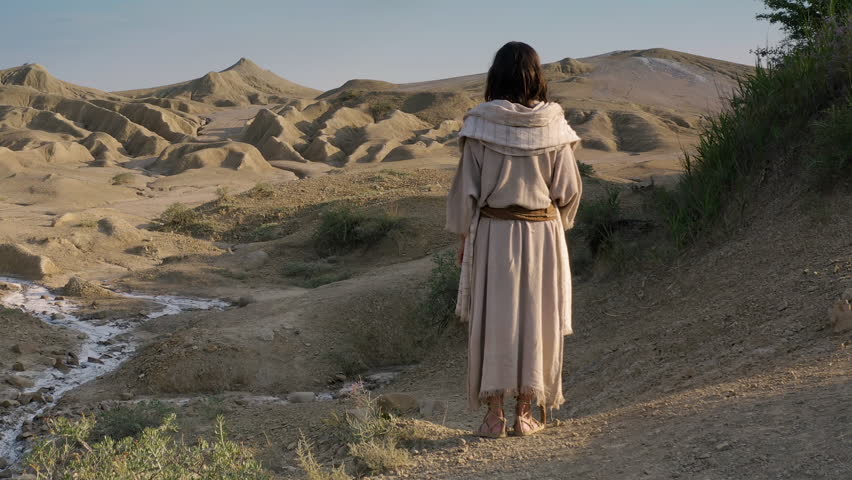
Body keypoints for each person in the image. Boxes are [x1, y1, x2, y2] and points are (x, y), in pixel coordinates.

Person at [445, 41, 583, 438]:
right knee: (538, 318)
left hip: (493, 233)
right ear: (537, 75)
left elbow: (465, 191)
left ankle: (494, 418)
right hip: (543, 233)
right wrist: (558, 223)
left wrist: (463, 237)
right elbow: (569, 192)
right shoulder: (554, 126)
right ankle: (525, 415)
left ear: (496, 75)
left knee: (495, 319)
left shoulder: (479, 125)